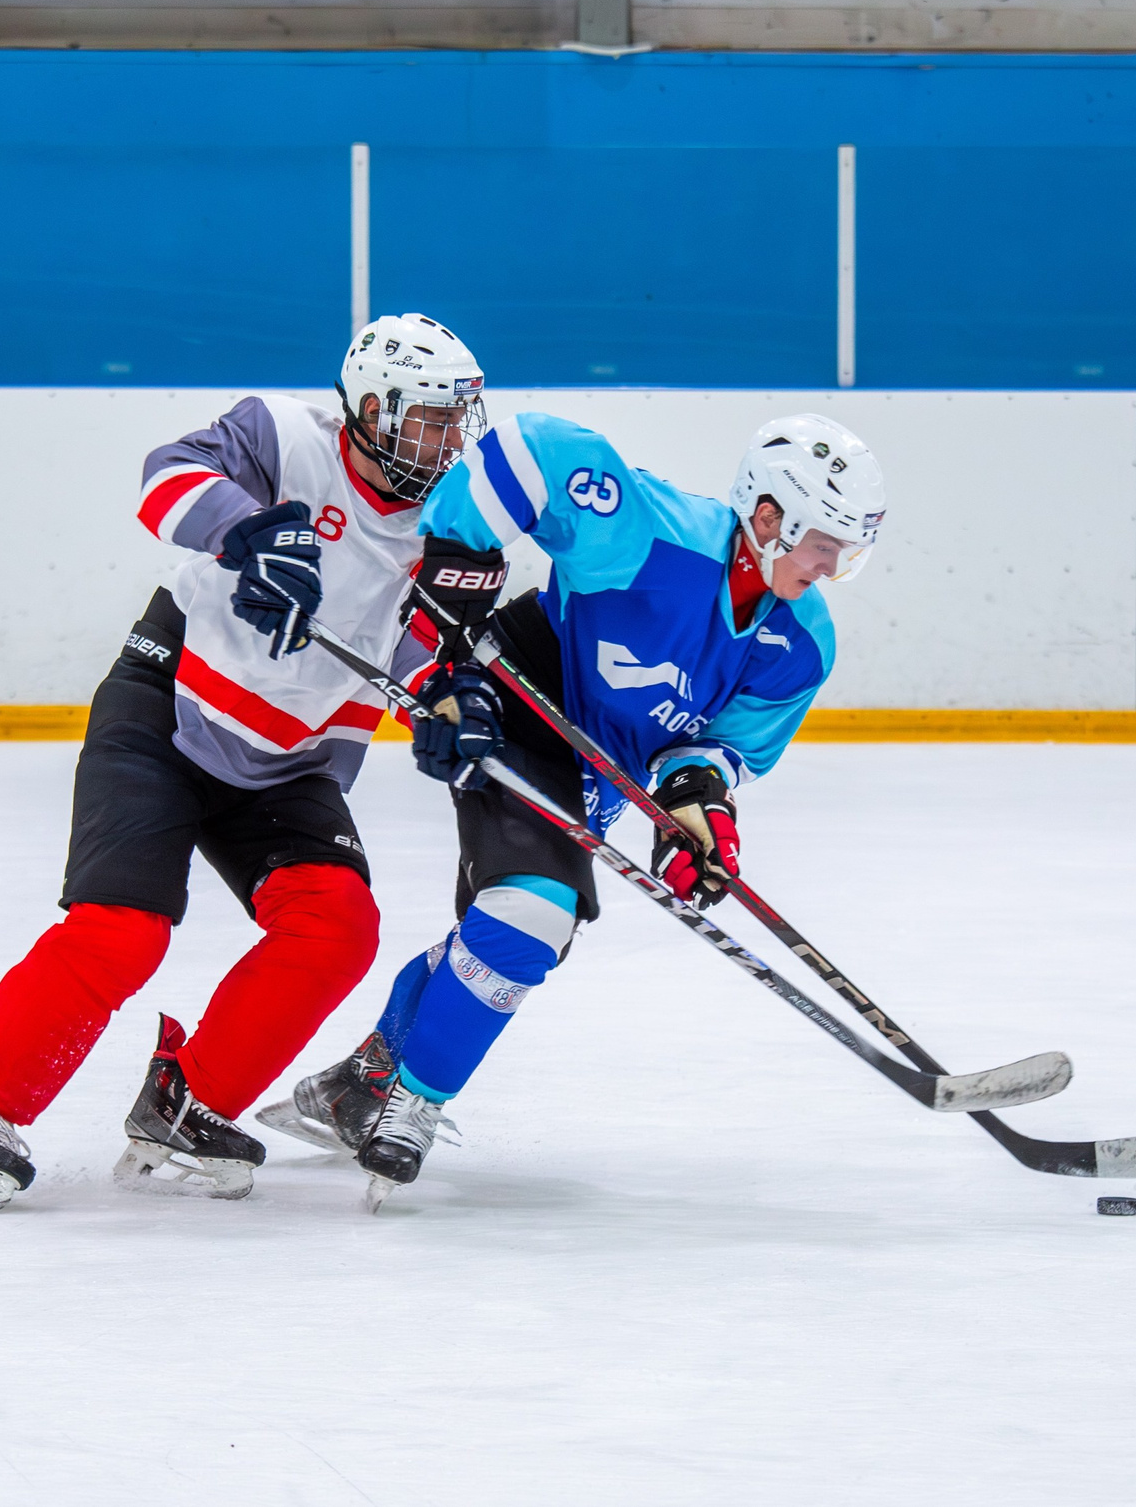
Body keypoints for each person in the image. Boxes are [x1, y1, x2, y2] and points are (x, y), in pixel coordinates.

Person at [0, 316, 487, 1208]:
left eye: (457, 421)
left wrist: (447, 699)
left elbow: (429, 644)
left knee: (335, 927)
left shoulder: (458, 523)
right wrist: (253, 532)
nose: (449, 442)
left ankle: (189, 1102)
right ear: (373, 410)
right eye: (431, 421)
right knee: (121, 929)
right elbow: (165, 474)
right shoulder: (281, 436)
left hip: (292, 762)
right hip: (166, 711)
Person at [269, 413, 888, 1198]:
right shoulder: (658, 537)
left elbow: (714, 750)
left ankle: (361, 1082)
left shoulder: (802, 642)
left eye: (845, 550)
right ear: (767, 518)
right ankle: (412, 1106)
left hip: (601, 763)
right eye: (823, 543)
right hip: (522, 696)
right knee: (531, 914)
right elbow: (534, 450)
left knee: (517, 936)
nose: (830, 566)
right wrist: (457, 565)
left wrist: (699, 810)